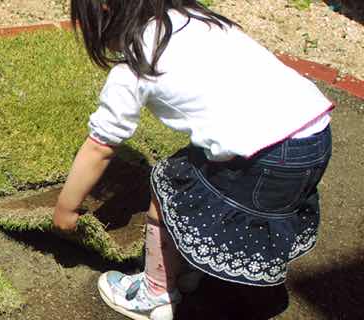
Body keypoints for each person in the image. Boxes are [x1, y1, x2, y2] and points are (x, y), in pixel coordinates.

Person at [52, 1, 334, 319]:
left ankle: (155, 294)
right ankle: (190, 262)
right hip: (315, 134)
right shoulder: (197, 19)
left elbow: (99, 147)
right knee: (205, 177)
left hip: (266, 156)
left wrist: (66, 208)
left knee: (169, 186)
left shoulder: (133, 70)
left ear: (103, 10)